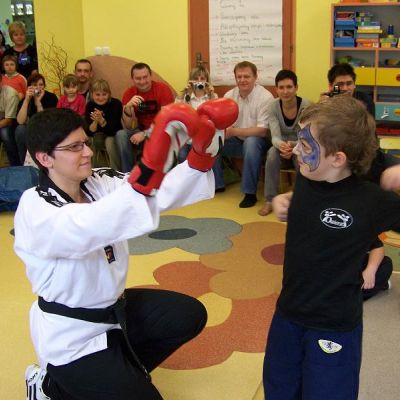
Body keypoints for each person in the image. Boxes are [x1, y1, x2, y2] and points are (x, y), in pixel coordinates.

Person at [15, 98, 238, 400]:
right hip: (72, 336)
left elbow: (153, 193)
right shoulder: (35, 206)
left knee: (188, 315)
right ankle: (49, 385)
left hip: (114, 309)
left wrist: (201, 156)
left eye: (85, 143)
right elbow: (88, 226)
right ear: (45, 158)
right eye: (75, 147)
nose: (87, 152)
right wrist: (154, 158)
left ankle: (123, 372)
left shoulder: (98, 180)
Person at [263, 95, 400, 400]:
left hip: (334, 326)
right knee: (279, 389)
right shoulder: (309, 175)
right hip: (288, 315)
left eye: (305, 145)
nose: (296, 150)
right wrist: (285, 198)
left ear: (338, 159)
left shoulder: (372, 199)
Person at [212, 61, 274, 207]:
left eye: (246, 76)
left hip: (259, 142)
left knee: (251, 142)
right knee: (213, 141)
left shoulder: (265, 97)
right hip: (237, 140)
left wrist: (234, 131)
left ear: (255, 77)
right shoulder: (229, 95)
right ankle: (217, 185)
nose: (242, 80)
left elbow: (262, 131)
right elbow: (224, 123)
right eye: (239, 77)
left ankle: (249, 193)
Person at [258, 69, 311, 216]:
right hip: (280, 146)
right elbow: (275, 137)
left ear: (296, 87)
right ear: (276, 89)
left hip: (300, 145)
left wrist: (292, 147)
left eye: (289, 87)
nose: (285, 91)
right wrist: (283, 146)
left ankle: (300, 198)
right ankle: (270, 200)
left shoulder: (306, 105)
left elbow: (308, 136)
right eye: (281, 87)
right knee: (271, 154)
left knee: (302, 156)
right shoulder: (273, 106)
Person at [115, 62, 175, 172]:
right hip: (139, 129)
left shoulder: (162, 89)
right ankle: (127, 174)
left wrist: (145, 134)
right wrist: (128, 108)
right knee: (121, 135)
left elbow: (166, 121)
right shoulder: (129, 93)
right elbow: (128, 126)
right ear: (133, 79)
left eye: (145, 77)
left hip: (161, 132)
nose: (142, 81)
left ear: (150, 76)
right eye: (138, 78)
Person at [175, 65, 218, 162]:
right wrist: (185, 94)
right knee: (182, 155)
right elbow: (177, 113)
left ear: (207, 81)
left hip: (205, 138)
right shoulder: (185, 97)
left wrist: (211, 95)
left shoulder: (212, 97)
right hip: (187, 138)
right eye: (195, 79)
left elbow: (215, 116)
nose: (199, 81)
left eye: (202, 78)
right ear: (190, 81)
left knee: (204, 156)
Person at [15, 73, 58, 164]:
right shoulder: (26, 99)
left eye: (41, 85)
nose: (38, 87)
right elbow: (20, 121)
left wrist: (38, 103)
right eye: (34, 85)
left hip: (47, 128)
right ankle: (23, 164)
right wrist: (27, 100)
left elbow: (46, 122)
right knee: (20, 130)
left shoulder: (51, 97)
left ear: (44, 86)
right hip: (30, 129)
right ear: (29, 87)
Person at [85, 78, 123, 170]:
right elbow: (89, 132)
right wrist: (95, 121)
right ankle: (93, 171)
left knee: (109, 142)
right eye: (97, 94)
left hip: (113, 134)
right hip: (96, 135)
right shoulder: (90, 105)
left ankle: (115, 171)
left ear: (109, 94)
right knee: (91, 140)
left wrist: (101, 120)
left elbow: (113, 130)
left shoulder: (116, 104)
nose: (101, 98)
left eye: (104, 94)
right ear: (92, 94)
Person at [0, 73, 20, 165]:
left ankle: (15, 164)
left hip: (11, 123)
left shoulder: (10, 93)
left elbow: (8, 120)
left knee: (5, 133)